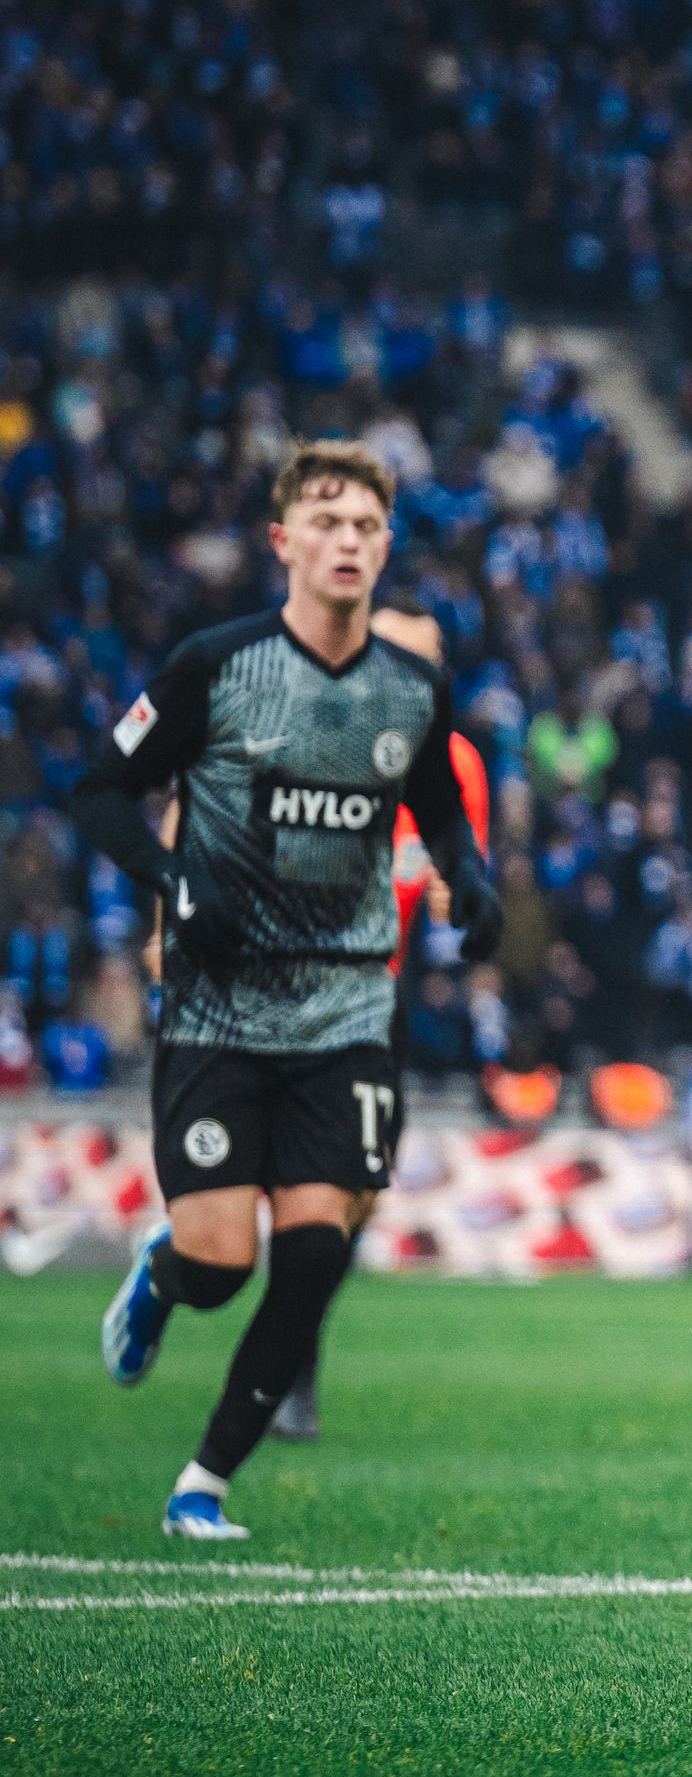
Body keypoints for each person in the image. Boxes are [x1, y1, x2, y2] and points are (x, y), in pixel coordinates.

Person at [82, 441, 498, 1539]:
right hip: (223, 1009)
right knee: (222, 1262)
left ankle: (203, 1482)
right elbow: (101, 789)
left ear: (386, 546)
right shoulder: (216, 667)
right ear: (284, 542)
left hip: (347, 1008)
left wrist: (470, 876)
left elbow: (436, 804)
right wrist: (173, 883)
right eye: (326, 522)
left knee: (316, 1250)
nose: (347, 541)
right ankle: (166, 1275)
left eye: (365, 526)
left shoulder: (412, 689)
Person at [136, 604, 481, 1448]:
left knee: (349, 1207)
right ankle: (190, 1270)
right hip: (254, 991)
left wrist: (459, 890)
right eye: (402, 654)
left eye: (432, 660)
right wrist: (165, 926)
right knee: (248, 1226)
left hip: (367, 1002)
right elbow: (194, 801)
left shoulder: (450, 758)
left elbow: (454, 852)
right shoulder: (303, 718)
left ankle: (294, 1364)